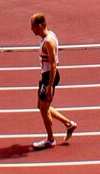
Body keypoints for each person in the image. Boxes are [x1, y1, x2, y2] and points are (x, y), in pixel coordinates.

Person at [30, 14, 77, 149]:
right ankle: (69, 124)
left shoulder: (48, 42)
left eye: (32, 26)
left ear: (39, 26)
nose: (31, 29)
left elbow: (53, 65)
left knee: (44, 109)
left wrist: (50, 85)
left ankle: (50, 139)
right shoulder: (49, 36)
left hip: (49, 76)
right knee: (41, 105)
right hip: (46, 76)